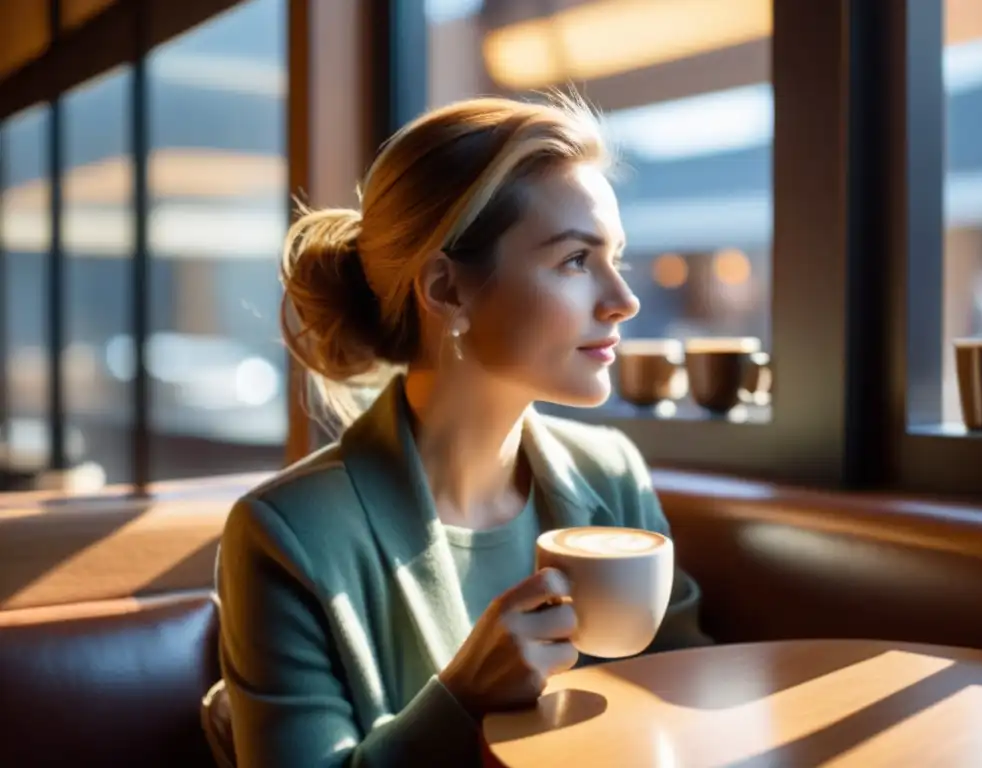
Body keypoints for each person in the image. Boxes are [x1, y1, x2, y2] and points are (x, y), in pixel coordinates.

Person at [213, 92, 710, 768]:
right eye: (574, 260)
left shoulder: (610, 473)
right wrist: (460, 700)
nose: (624, 300)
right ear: (447, 290)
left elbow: (691, 705)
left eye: (613, 258)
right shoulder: (286, 537)